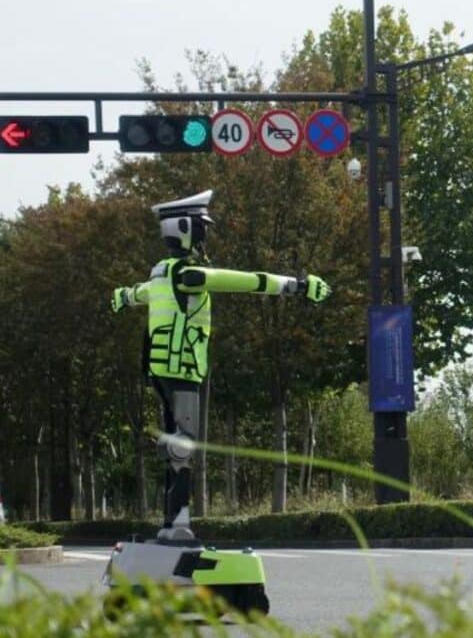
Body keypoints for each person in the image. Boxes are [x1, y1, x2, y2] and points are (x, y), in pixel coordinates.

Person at [111, 190, 330, 541]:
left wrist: (123, 296)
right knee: (184, 445)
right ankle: (179, 525)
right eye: (201, 229)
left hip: (162, 370)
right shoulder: (189, 275)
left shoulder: (160, 273)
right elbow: (247, 281)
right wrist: (299, 286)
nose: (204, 236)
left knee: (175, 443)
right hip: (182, 369)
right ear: (185, 229)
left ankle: (170, 525)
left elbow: (138, 293)